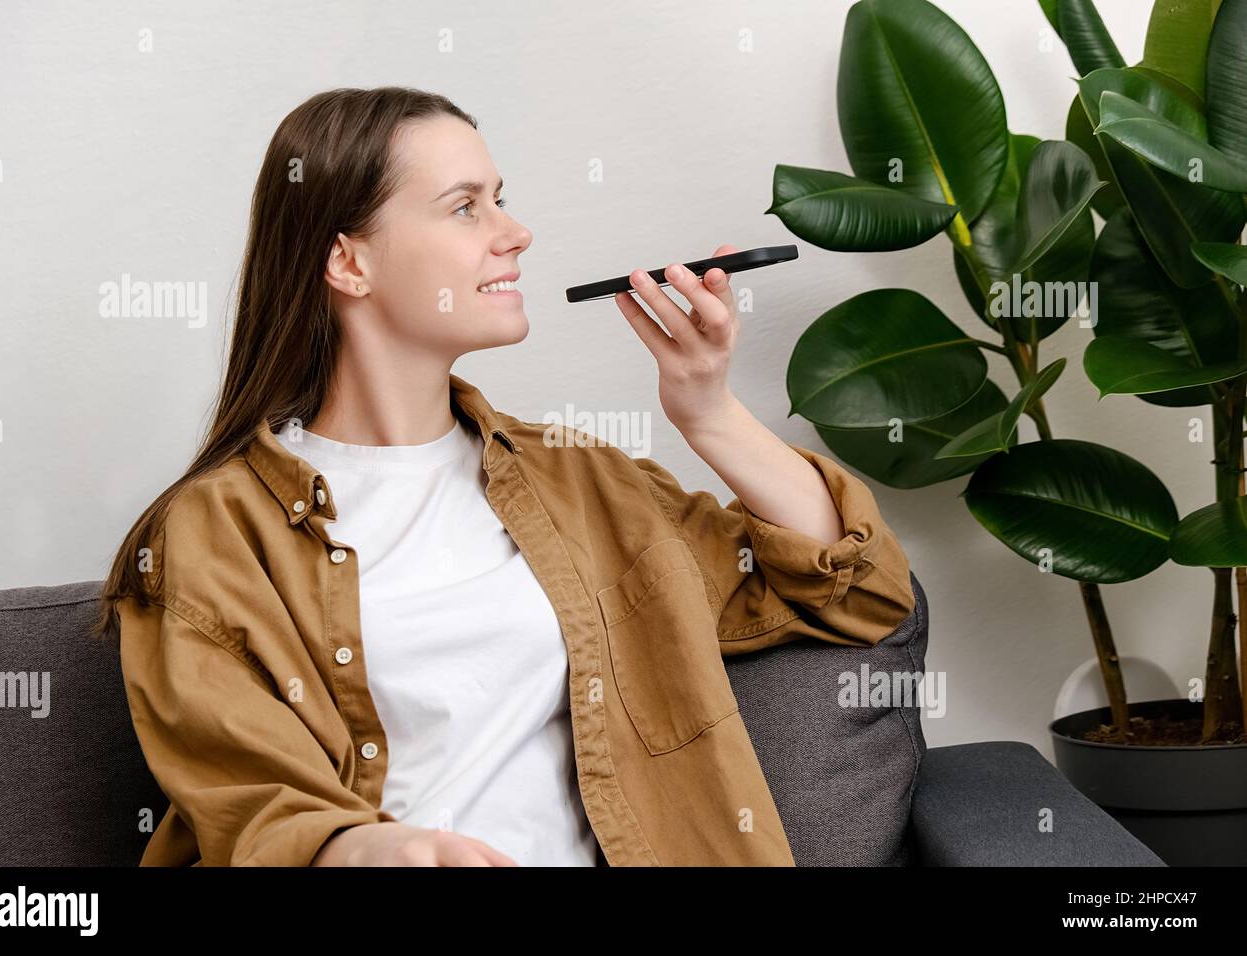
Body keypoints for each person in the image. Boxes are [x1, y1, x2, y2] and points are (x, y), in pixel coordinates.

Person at [95, 85, 916, 867]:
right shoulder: (214, 531)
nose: (515, 231)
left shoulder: (579, 482)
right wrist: (364, 847)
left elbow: (862, 592)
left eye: (500, 197)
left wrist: (707, 413)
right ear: (348, 264)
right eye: (465, 207)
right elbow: (245, 793)